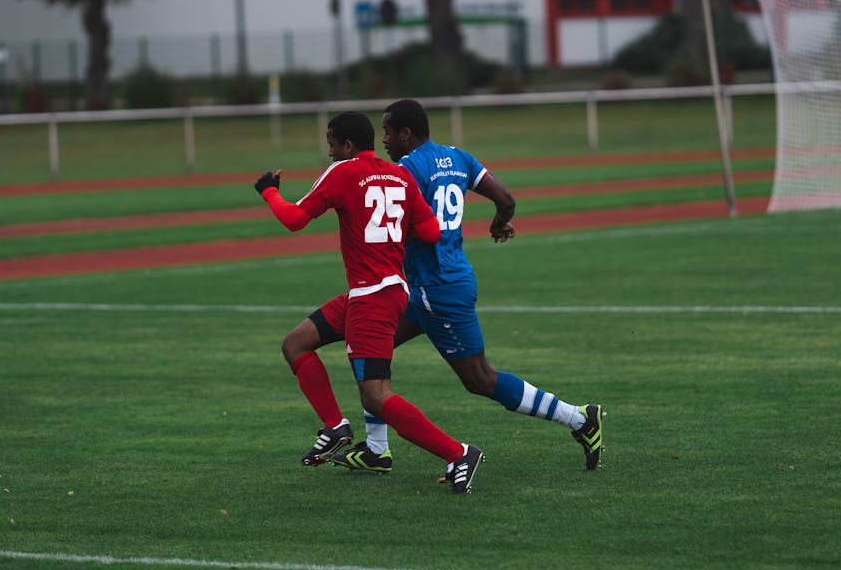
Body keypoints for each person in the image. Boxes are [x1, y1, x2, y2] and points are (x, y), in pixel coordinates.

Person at [329, 98, 603, 476]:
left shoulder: (405, 169)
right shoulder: (458, 157)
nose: (385, 140)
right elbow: (506, 199)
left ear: (405, 134)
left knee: (480, 379)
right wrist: (498, 223)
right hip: (430, 285)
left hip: (435, 287)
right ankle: (377, 449)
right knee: (372, 351)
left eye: (389, 132)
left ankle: (579, 418)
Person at [254, 111, 483, 494]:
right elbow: (429, 231)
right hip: (384, 291)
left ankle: (458, 453)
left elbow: (294, 219)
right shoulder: (401, 175)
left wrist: (268, 191)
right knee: (295, 343)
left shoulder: (343, 172)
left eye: (331, 145)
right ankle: (335, 427)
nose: (329, 153)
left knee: (376, 397)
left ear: (346, 145)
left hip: (371, 299)